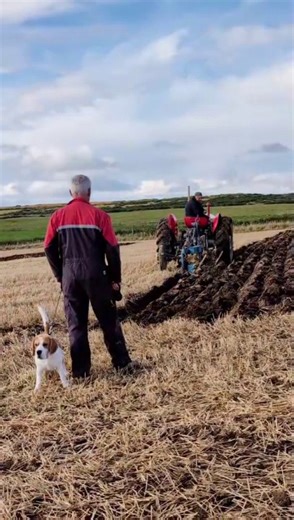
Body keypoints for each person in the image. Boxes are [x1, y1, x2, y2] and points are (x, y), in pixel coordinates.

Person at [44, 174, 135, 379]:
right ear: (90, 192)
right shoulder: (100, 216)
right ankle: (122, 365)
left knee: (76, 325)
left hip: (70, 277)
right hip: (97, 276)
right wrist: (115, 279)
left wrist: (61, 274)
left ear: (70, 193)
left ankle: (81, 372)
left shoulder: (57, 216)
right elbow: (112, 249)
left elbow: (48, 247)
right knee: (109, 321)